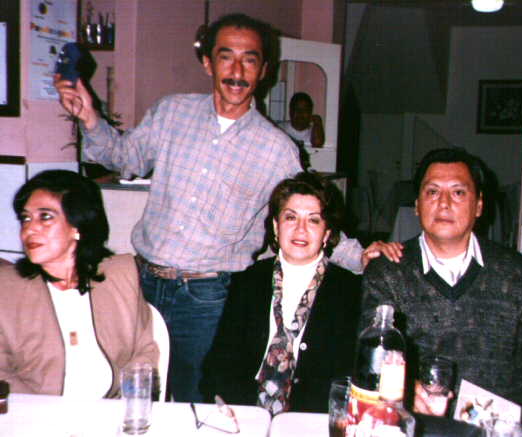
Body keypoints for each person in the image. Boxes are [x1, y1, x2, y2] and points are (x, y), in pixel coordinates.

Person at [55, 13, 381, 401]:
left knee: (197, 400)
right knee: (130, 392)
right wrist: (89, 116)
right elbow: (124, 158)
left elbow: (309, 211)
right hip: (143, 282)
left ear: (264, 70)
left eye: (249, 60)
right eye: (226, 57)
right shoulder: (172, 112)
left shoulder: (276, 149)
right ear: (208, 63)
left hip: (207, 297)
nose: (237, 71)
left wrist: (363, 256)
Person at [361, 148, 522, 423]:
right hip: (414, 425)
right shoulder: (387, 272)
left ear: (479, 205)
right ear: (417, 205)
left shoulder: (515, 273)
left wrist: (507, 416)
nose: (444, 203)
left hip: (498, 427)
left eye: (458, 192)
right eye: (432, 192)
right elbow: (372, 358)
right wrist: (407, 396)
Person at [201, 172, 362, 415]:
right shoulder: (248, 280)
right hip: (245, 413)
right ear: (276, 227)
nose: (300, 229)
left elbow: (347, 377)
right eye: (290, 217)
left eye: (313, 220)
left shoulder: (348, 291)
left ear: (327, 234)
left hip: (311, 418)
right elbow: (218, 363)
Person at [0, 170, 158, 398]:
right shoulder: (6, 288)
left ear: (77, 226)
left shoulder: (121, 273)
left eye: (45, 217)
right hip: (34, 413)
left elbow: (145, 351)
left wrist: (128, 405)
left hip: (112, 410)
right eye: (26, 218)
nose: (29, 229)